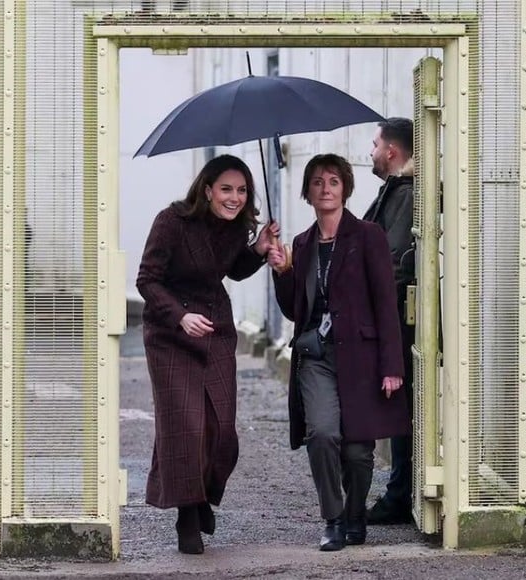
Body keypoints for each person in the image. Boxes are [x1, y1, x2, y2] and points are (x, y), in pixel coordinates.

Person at [268, 153, 410, 551]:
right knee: (322, 434)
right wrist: (283, 272)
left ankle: (355, 513)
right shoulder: (303, 243)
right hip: (317, 356)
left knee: (358, 451)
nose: (325, 188)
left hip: (361, 357)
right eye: (317, 182)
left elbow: (385, 304)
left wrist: (392, 365)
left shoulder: (368, 236)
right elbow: (295, 310)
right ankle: (332, 518)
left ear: (345, 188)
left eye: (333, 181)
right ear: (307, 192)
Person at [136, 154, 276, 554]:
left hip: (215, 331)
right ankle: (187, 515)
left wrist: (259, 249)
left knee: (221, 429)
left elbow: (232, 270)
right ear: (208, 189)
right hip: (170, 335)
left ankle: (202, 496)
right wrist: (180, 317)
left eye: (242, 190)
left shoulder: (237, 227)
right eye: (226, 189)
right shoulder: (171, 221)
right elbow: (147, 280)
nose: (235, 197)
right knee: (187, 426)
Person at [363, 117, 417, 525]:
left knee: (402, 406)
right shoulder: (397, 191)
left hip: (399, 318)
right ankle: (400, 491)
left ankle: (400, 495)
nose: (371, 152)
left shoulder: (406, 194)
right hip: (394, 316)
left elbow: (394, 261)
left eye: (375, 144)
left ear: (391, 151)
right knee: (400, 405)